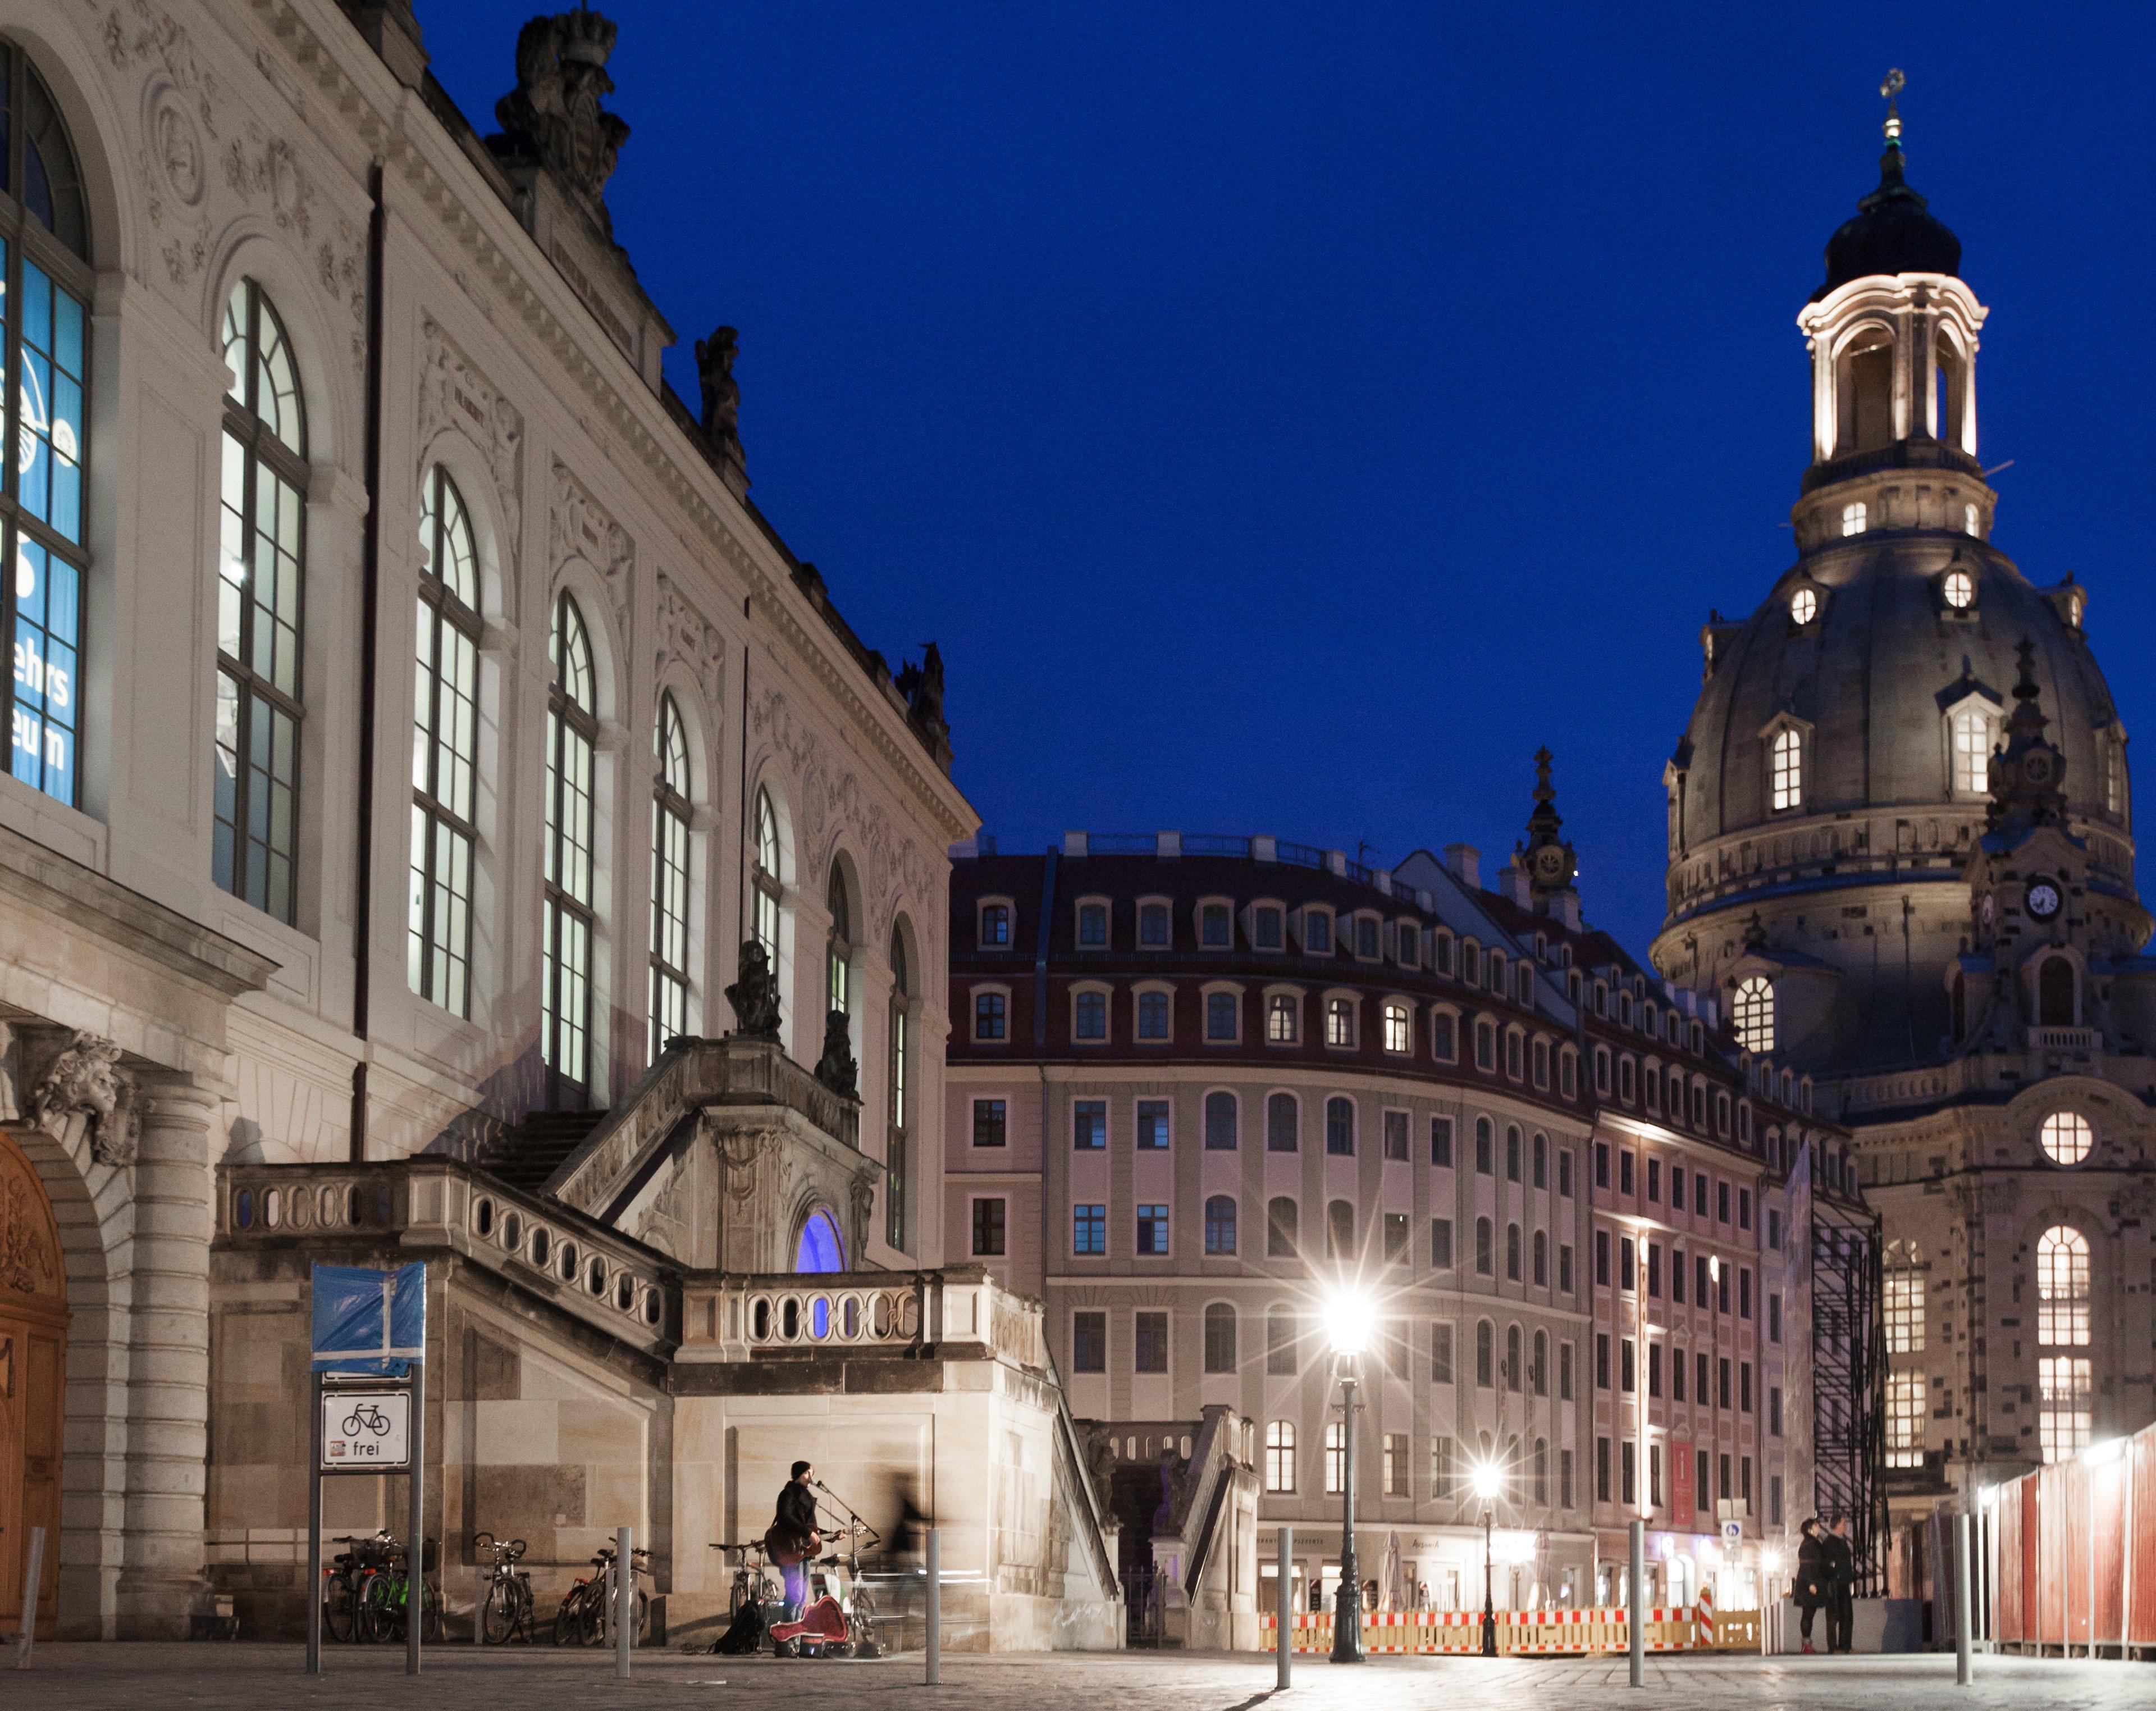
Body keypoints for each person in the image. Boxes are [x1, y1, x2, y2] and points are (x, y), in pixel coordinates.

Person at [769, 1460, 823, 1617]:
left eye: (812, 1473)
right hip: (791, 1551)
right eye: (807, 1473)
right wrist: (807, 1534)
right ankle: (788, 1637)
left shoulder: (807, 1496)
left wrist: (833, 1536)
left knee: (802, 1599)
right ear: (798, 1474)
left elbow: (811, 1526)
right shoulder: (788, 1493)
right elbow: (785, 1516)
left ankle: (796, 1637)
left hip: (803, 1553)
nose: (810, 1477)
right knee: (795, 1596)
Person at [1821, 1515, 1856, 1654]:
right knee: (1833, 1616)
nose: (1845, 1524)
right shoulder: (1830, 1542)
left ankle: (1845, 1646)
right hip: (1835, 1582)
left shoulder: (1842, 1541)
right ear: (1836, 1524)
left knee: (1847, 1615)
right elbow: (1828, 1562)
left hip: (1844, 1582)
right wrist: (1836, 1570)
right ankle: (1833, 1647)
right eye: (1843, 1522)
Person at [1793, 1518, 1826, 1653]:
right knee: (1808, 1614)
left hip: (1810, 1583)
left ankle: (1807, 1644)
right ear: (1810, 1529)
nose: (1819, 1526)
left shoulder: (1813, 1542)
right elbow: (1807, 1565)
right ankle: (1806, 1645)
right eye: (1816, 1525)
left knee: (1809, 1613)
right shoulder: (1809, 1544)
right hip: (1808, 1584)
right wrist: (1811, 1584)